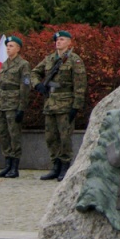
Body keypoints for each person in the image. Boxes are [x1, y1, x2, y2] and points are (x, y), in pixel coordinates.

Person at [31, 30, 86, 182]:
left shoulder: (74, 60)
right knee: (50, 137)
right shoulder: (49, 59)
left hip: (66, 104)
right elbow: (34, 73)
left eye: (62, 39)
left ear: (69, 42)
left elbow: (80, 85)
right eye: (57, 40)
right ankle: (55, 166)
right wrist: (37, 85)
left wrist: (76, 106)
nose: (58, 42)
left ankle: (65, 166)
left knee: (65, 138)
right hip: (50, 104)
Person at [0, 36, 31, 179]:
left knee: (14, 135)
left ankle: (15, 166)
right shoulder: (4, 64)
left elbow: (25, 86)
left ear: (18, 48)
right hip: (2, 103)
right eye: (7, 46)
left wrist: (21, 107)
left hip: (13, 104)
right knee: (3, 134)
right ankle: (7, 164)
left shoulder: (23, 64)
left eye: (11, 45)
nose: (8, 48)